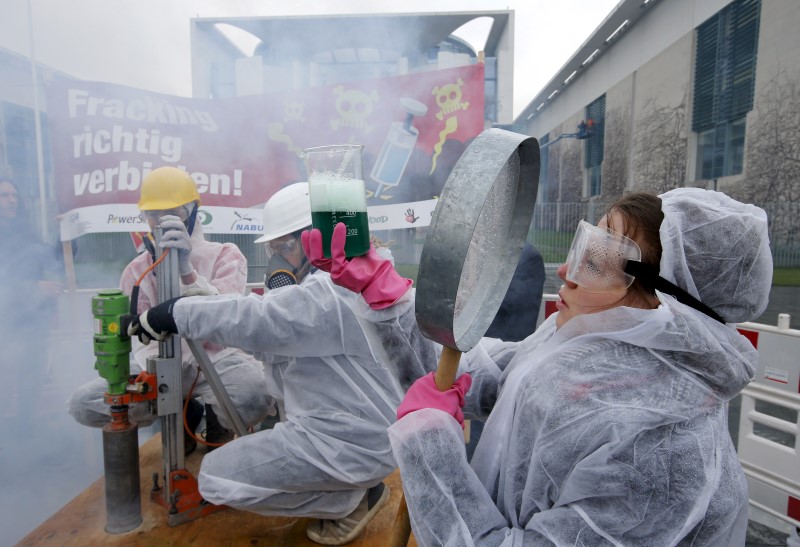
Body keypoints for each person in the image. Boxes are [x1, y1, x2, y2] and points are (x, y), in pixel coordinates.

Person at [386, 188, 773, 546]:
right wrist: (387, 301)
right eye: (585, 245)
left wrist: (429, 449)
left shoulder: (659, 453)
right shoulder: (588, 354)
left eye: (598, 259)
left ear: (664, 303)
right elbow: (494, 377)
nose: (566, 272)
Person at [126, 182, 437, 545]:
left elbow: (263, 320)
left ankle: (346, 499)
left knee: (216, 479)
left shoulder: (336, 291)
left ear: (316, 240)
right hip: (350, 435)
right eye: (274, 249)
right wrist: (202, 293)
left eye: (285, 247)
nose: (278, 260)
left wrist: (176, 312)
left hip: (344, 444)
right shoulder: (350, 280)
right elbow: (272, 336)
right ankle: (349, 489)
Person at [67, 166, 273, 454]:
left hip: (215, 359)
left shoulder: (225, 254)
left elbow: (228, 316)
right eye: (152, 213)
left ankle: (217, 422)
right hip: (157, 363)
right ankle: (178, 412)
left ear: (190, 213)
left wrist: (187, 271)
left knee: (255, 396)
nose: (160, 221)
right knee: (83, 404)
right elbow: (139, 334)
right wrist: (158, 380)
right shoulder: (136, 271)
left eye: (172, 212)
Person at [0, 177, 65, 433]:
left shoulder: (25, 233)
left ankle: (25, 438)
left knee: (31, 381)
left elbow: (53, 260)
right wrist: (32, 288)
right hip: (6, 323)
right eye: (4, 196)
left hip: (33, 322)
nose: (11, 200)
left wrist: (64, 234)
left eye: (14, 195)